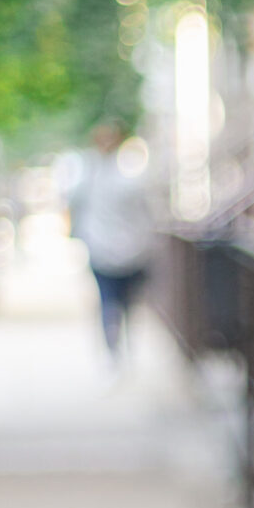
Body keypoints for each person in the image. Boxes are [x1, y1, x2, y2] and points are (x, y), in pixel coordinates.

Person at [67, 122, 155, 358]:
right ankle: (117, 346)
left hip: (116, 250)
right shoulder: (125, 174)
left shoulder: (99, 175)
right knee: (116, 301)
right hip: (116, 249)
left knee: (114, 301)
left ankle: (116, 347)